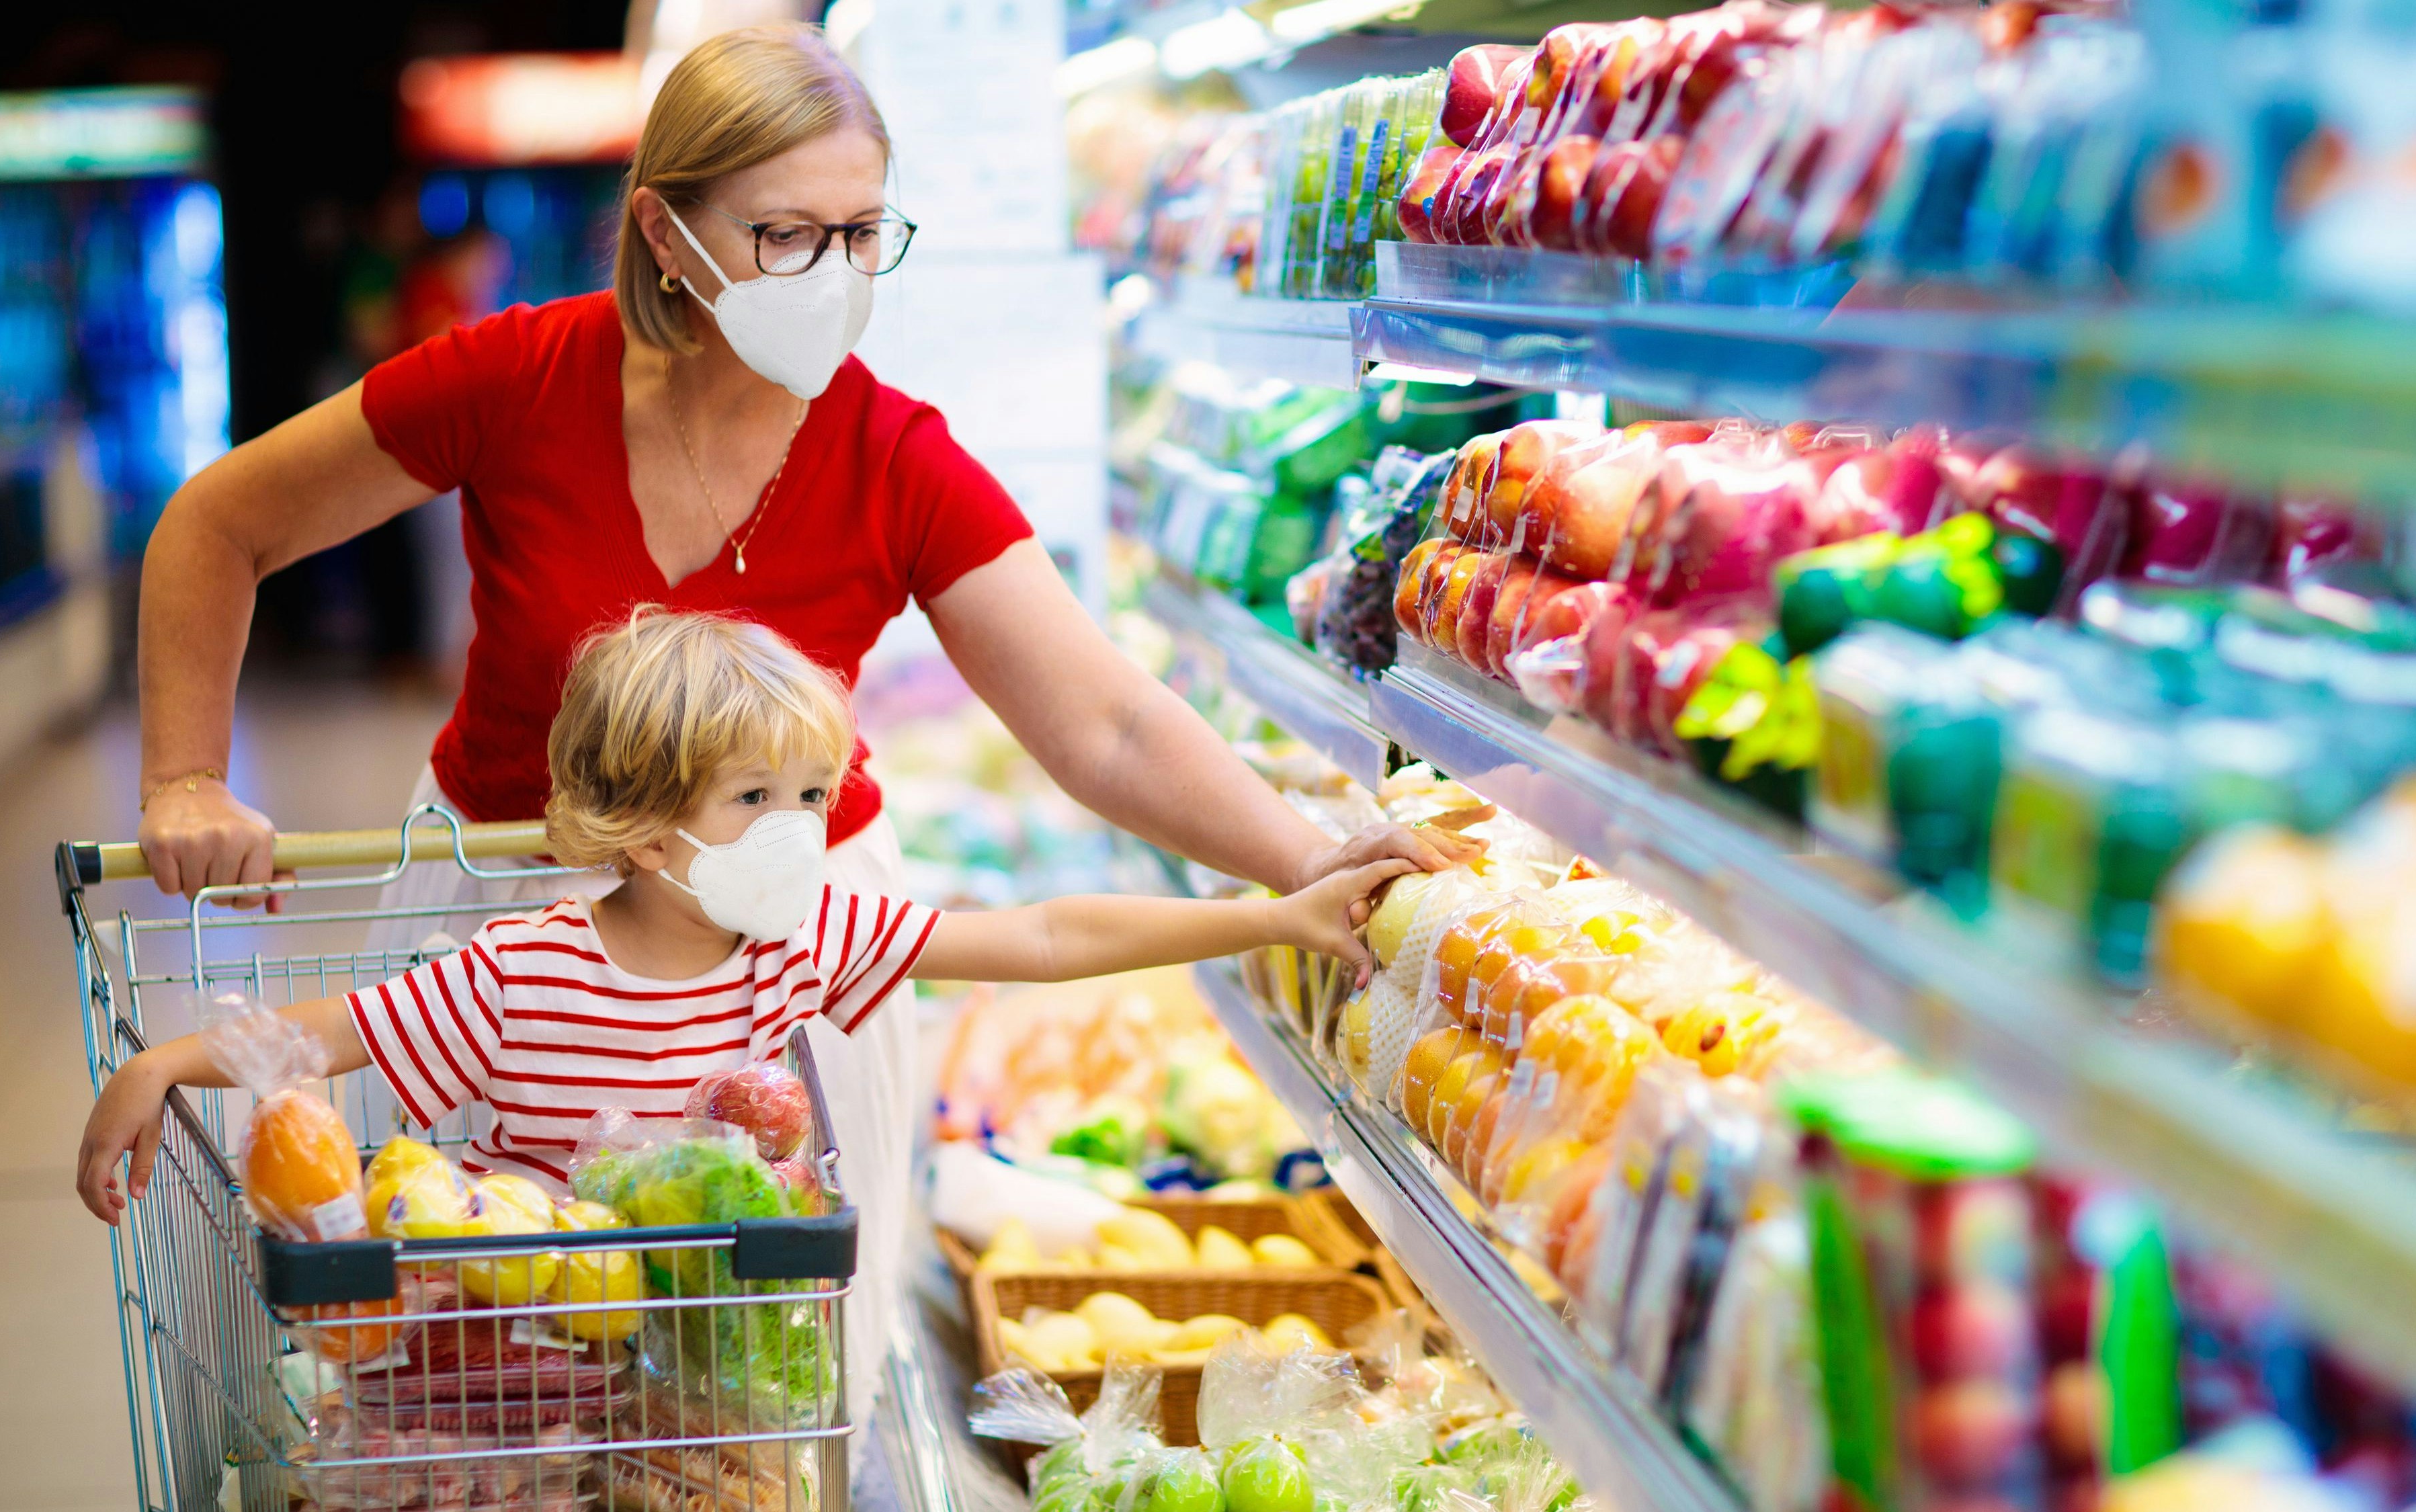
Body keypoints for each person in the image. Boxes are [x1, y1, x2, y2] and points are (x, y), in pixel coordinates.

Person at [121, 22, 1465, 1431]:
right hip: (510, 929)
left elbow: (1108, 724)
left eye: (862, 233)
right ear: (664, 232)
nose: (833, 274)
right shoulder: (516, 378)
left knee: (764, 1390)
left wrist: (1306, 861)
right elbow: (220, 524)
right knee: (493, 1349)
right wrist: (185, 776)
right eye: (784, 235)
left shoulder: (893, 454)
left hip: (785, 944)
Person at [79, 608, 1408, 1212]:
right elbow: (331, 1034)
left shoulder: (802, 940)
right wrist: (161, 1064)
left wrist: (1275, 913)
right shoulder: (520, 971)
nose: (798, 830)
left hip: (726, 1374)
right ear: (646, 830)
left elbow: (1050, 937)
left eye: (813, 796)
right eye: (755, 799)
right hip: (536, 1356)